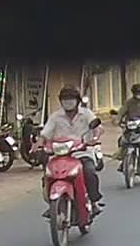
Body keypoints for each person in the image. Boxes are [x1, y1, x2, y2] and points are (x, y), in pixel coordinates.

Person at [40, 85, 104, 214]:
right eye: (65, 99)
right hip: (60, 155)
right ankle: (52, 204)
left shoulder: (86, 114)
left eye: (71, 99)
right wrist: (38, 144)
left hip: (82, 152)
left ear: (77, 100)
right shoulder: (55, 117)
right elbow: (45, 134)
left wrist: (95, 138)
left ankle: (93, 202)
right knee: (48, 175)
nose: (68, 102)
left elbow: (97, 128)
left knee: (89, 172)